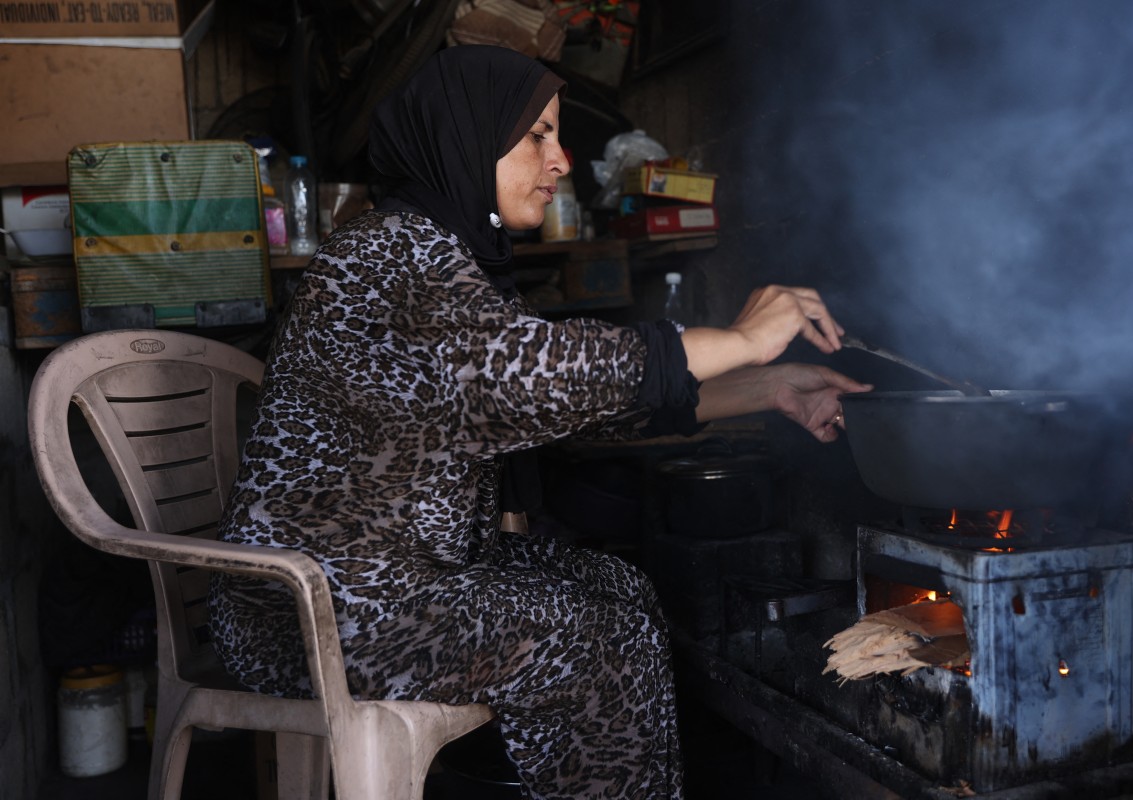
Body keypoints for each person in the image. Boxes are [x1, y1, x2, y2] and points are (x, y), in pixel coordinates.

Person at [210, 44, 871, 800]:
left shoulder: (446, 257)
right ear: (464, 137)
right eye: (536, 137)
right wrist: (743, 339)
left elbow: (555, 408)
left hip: (399, 579)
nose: (561, 160)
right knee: (598, 636)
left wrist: (769, 386)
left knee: (620, 589)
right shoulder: (384, 254)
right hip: (315, 607)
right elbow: (528, 374)